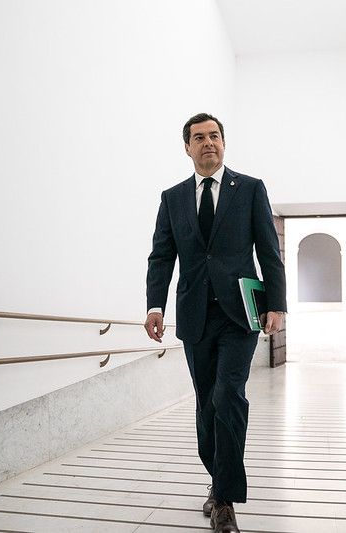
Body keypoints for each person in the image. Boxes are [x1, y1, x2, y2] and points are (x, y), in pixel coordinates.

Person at [145, 113, 286, 533]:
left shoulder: (251, 189)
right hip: (195, 317)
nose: (208, 143)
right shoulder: (172, 198)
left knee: (228, 397)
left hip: (241, 314)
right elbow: (161, 255)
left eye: (215, 136)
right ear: (187, 148)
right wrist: (155, 306)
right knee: (206, 404)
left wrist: (276, 303)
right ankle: (217, 479)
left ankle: (225, 499)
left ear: (224, 143)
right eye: (199, 138)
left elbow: (269, 249)